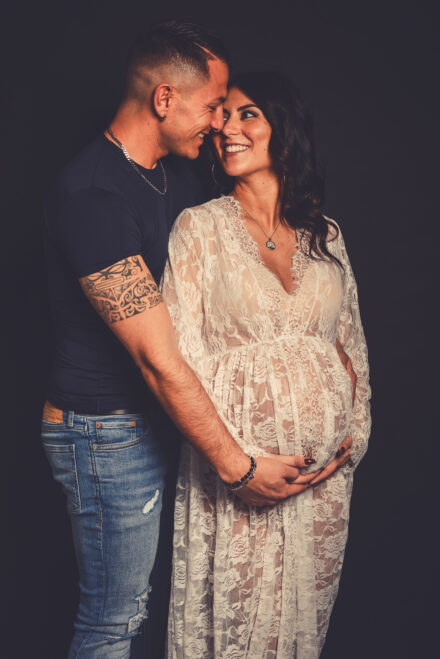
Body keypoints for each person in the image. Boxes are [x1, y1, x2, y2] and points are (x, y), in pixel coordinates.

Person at [42, 24, 324, 658]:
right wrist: (239, 468)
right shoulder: (94, 196)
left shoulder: (180, 177)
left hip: (155, 426)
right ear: (164, 98)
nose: (220, 123)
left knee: (146, 613)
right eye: (214, 106)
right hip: (104, 434)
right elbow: (157, 359)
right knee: (114, 621)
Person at [163, 72, 371, 658]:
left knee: (301, 635)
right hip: (239, 477)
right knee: (236, 636)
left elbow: (351, 344)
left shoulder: (326, 235)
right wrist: (242, 463)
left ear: (284, 128)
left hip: (322, 487)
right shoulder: (199, 229)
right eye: (222, 117)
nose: (227, 129)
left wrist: (351, 438)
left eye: (247, 113)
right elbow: (181, 356)